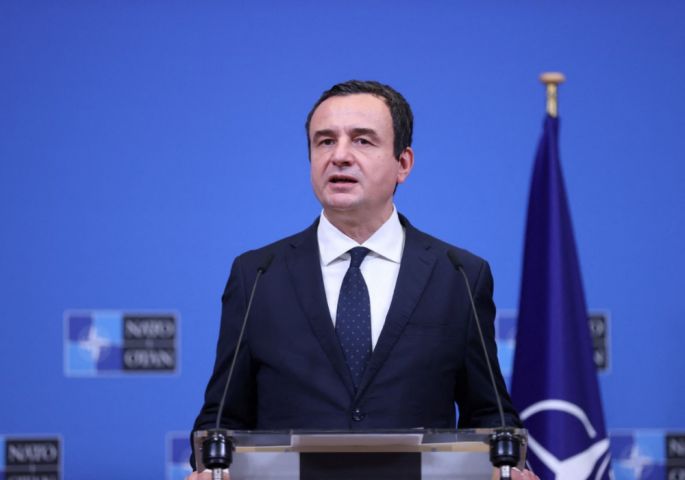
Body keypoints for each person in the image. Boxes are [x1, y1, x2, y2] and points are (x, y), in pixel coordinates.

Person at [187, 80, 537, 480]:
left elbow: (490, 415)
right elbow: (221, 419)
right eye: (324, 141)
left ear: (403, 163)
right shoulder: (257, 275)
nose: (339, 156)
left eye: (362, 141)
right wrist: (209, 469)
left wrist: (509, 467)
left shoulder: (459, 275)